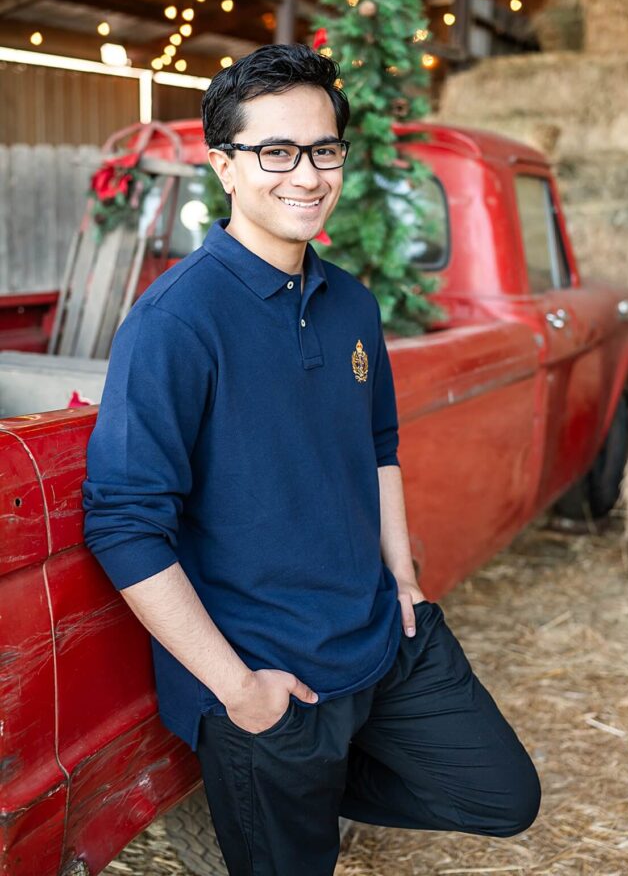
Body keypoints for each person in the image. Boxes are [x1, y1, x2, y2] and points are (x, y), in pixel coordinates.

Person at [82, 43, 541, 875]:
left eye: (324, 150)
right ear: (224, 166)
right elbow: (123, 523)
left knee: (504, 796)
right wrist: (238, 691)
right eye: (276, 152)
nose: (307, 174)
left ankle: (308, 788)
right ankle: (274, 786)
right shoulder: (175, 324)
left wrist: (400, 575)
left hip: (380, 637)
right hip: (266, 678)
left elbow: (378, 446)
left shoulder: (351, 302)